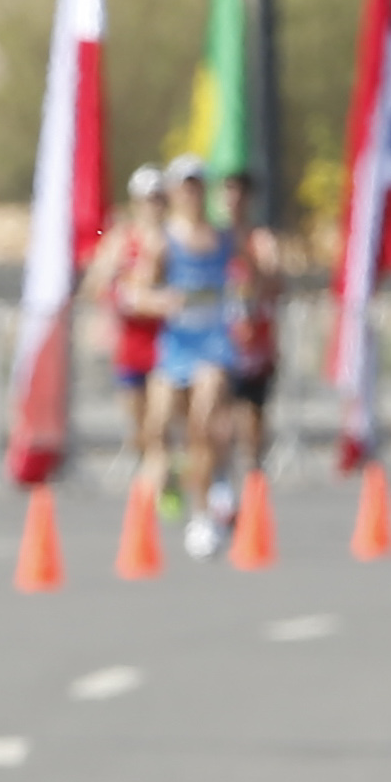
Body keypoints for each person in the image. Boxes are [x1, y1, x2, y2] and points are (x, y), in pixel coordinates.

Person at [135, 155, 239, 559]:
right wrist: (163, 300)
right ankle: (179, 482)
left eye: (198, 185)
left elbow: (253, 274)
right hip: (177, 345)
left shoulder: (223, 236)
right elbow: (139, 291)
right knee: (157, 428)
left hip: (212, 344)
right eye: (186, 186)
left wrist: (251, 291)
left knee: (202, 423)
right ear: (176, 191)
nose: (192, 193)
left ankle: (203, 515)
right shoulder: (163, 240)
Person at [82, 165, 165, 472]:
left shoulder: (171, 239)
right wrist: (113, 274)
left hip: (166, 341)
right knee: (138, 425)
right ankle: (151, 474)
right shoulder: (120, 240)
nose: (152, 206)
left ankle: (162, 473)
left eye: (158, 198)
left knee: (160, 420)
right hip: (131, 343)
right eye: (147, 199)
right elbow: (93, 286)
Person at [217, 171, 284, 508]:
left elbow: (274, 281)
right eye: (229, 193)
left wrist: (253, 267)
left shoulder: (260, 240)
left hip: (255, 344)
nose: (234, 201)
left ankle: (255, 478)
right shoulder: (214, 239)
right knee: (220, 417)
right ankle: (223, 487)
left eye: (240, 194)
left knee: (253, 421)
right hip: (221, 342)